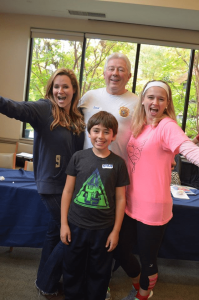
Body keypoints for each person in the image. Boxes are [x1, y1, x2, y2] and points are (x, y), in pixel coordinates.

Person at [0, 68, 85, 299]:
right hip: (50, 186)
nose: (60, 91)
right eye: (56, 86)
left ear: (73, 90)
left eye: (65, 86)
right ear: (51, 90)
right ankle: (47, 280)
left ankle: (44, 281)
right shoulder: (44, 109)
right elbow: (14, 107)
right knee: (74, 231)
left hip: (68, 186)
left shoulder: (76, 116)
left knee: (54, 233)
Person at [119, 80, 199, 300]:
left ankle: (143, 295)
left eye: (161, 98)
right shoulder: (139, 125)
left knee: (148, 259)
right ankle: (139, 285)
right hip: (129, 202)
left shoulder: (167, 126)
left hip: (153, 207)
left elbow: (187, 149)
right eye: (151, 97)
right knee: (121, 249)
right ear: (143, 99)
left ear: (167, 103)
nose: (155, 102)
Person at [60, 111, 130, 300]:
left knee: (99, 272)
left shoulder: (118, 163)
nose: (101, 136)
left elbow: (121, 199)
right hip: (75, 226)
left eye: (106, 132)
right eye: (96, 131)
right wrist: (64, 224)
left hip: (103, 230)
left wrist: (115, 231)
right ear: (88, 133)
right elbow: (67, 191)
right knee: (72, 268)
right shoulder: (78, 157)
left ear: (114, 136)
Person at [79, 52, 138, 163]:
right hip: (87, 165)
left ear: (129, 76)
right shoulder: (89, 97)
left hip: (118, 169)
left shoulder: (137, 103)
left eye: (120, 70)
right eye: (111, 69)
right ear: (104, 74)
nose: (115, 73)